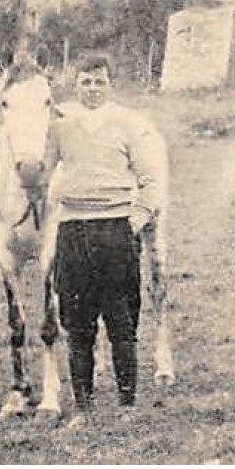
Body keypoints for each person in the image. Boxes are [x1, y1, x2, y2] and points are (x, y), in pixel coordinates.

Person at [50, 53, 168, 414]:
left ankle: (127, 405)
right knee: (77, 325)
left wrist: (135, 218)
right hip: (72, 229)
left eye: (99, 81)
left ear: (110, 84)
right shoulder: (59, 123)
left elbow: (152, 179)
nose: (93, 88)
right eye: (86, 81)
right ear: (76, 85)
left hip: (115, 229)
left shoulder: (127, 123)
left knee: (121, 321)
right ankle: (83, 408)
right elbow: (37, 167)